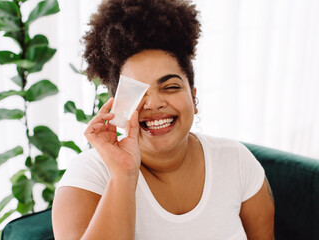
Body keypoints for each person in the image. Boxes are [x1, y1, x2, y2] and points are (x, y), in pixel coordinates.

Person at [52, 0, 275, 239]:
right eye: (138, 92)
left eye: (170, 87)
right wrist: (124, 175)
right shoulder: (89, 176)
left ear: (193, 97)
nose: (154, 103)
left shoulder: (236, 160)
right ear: (118, 106)